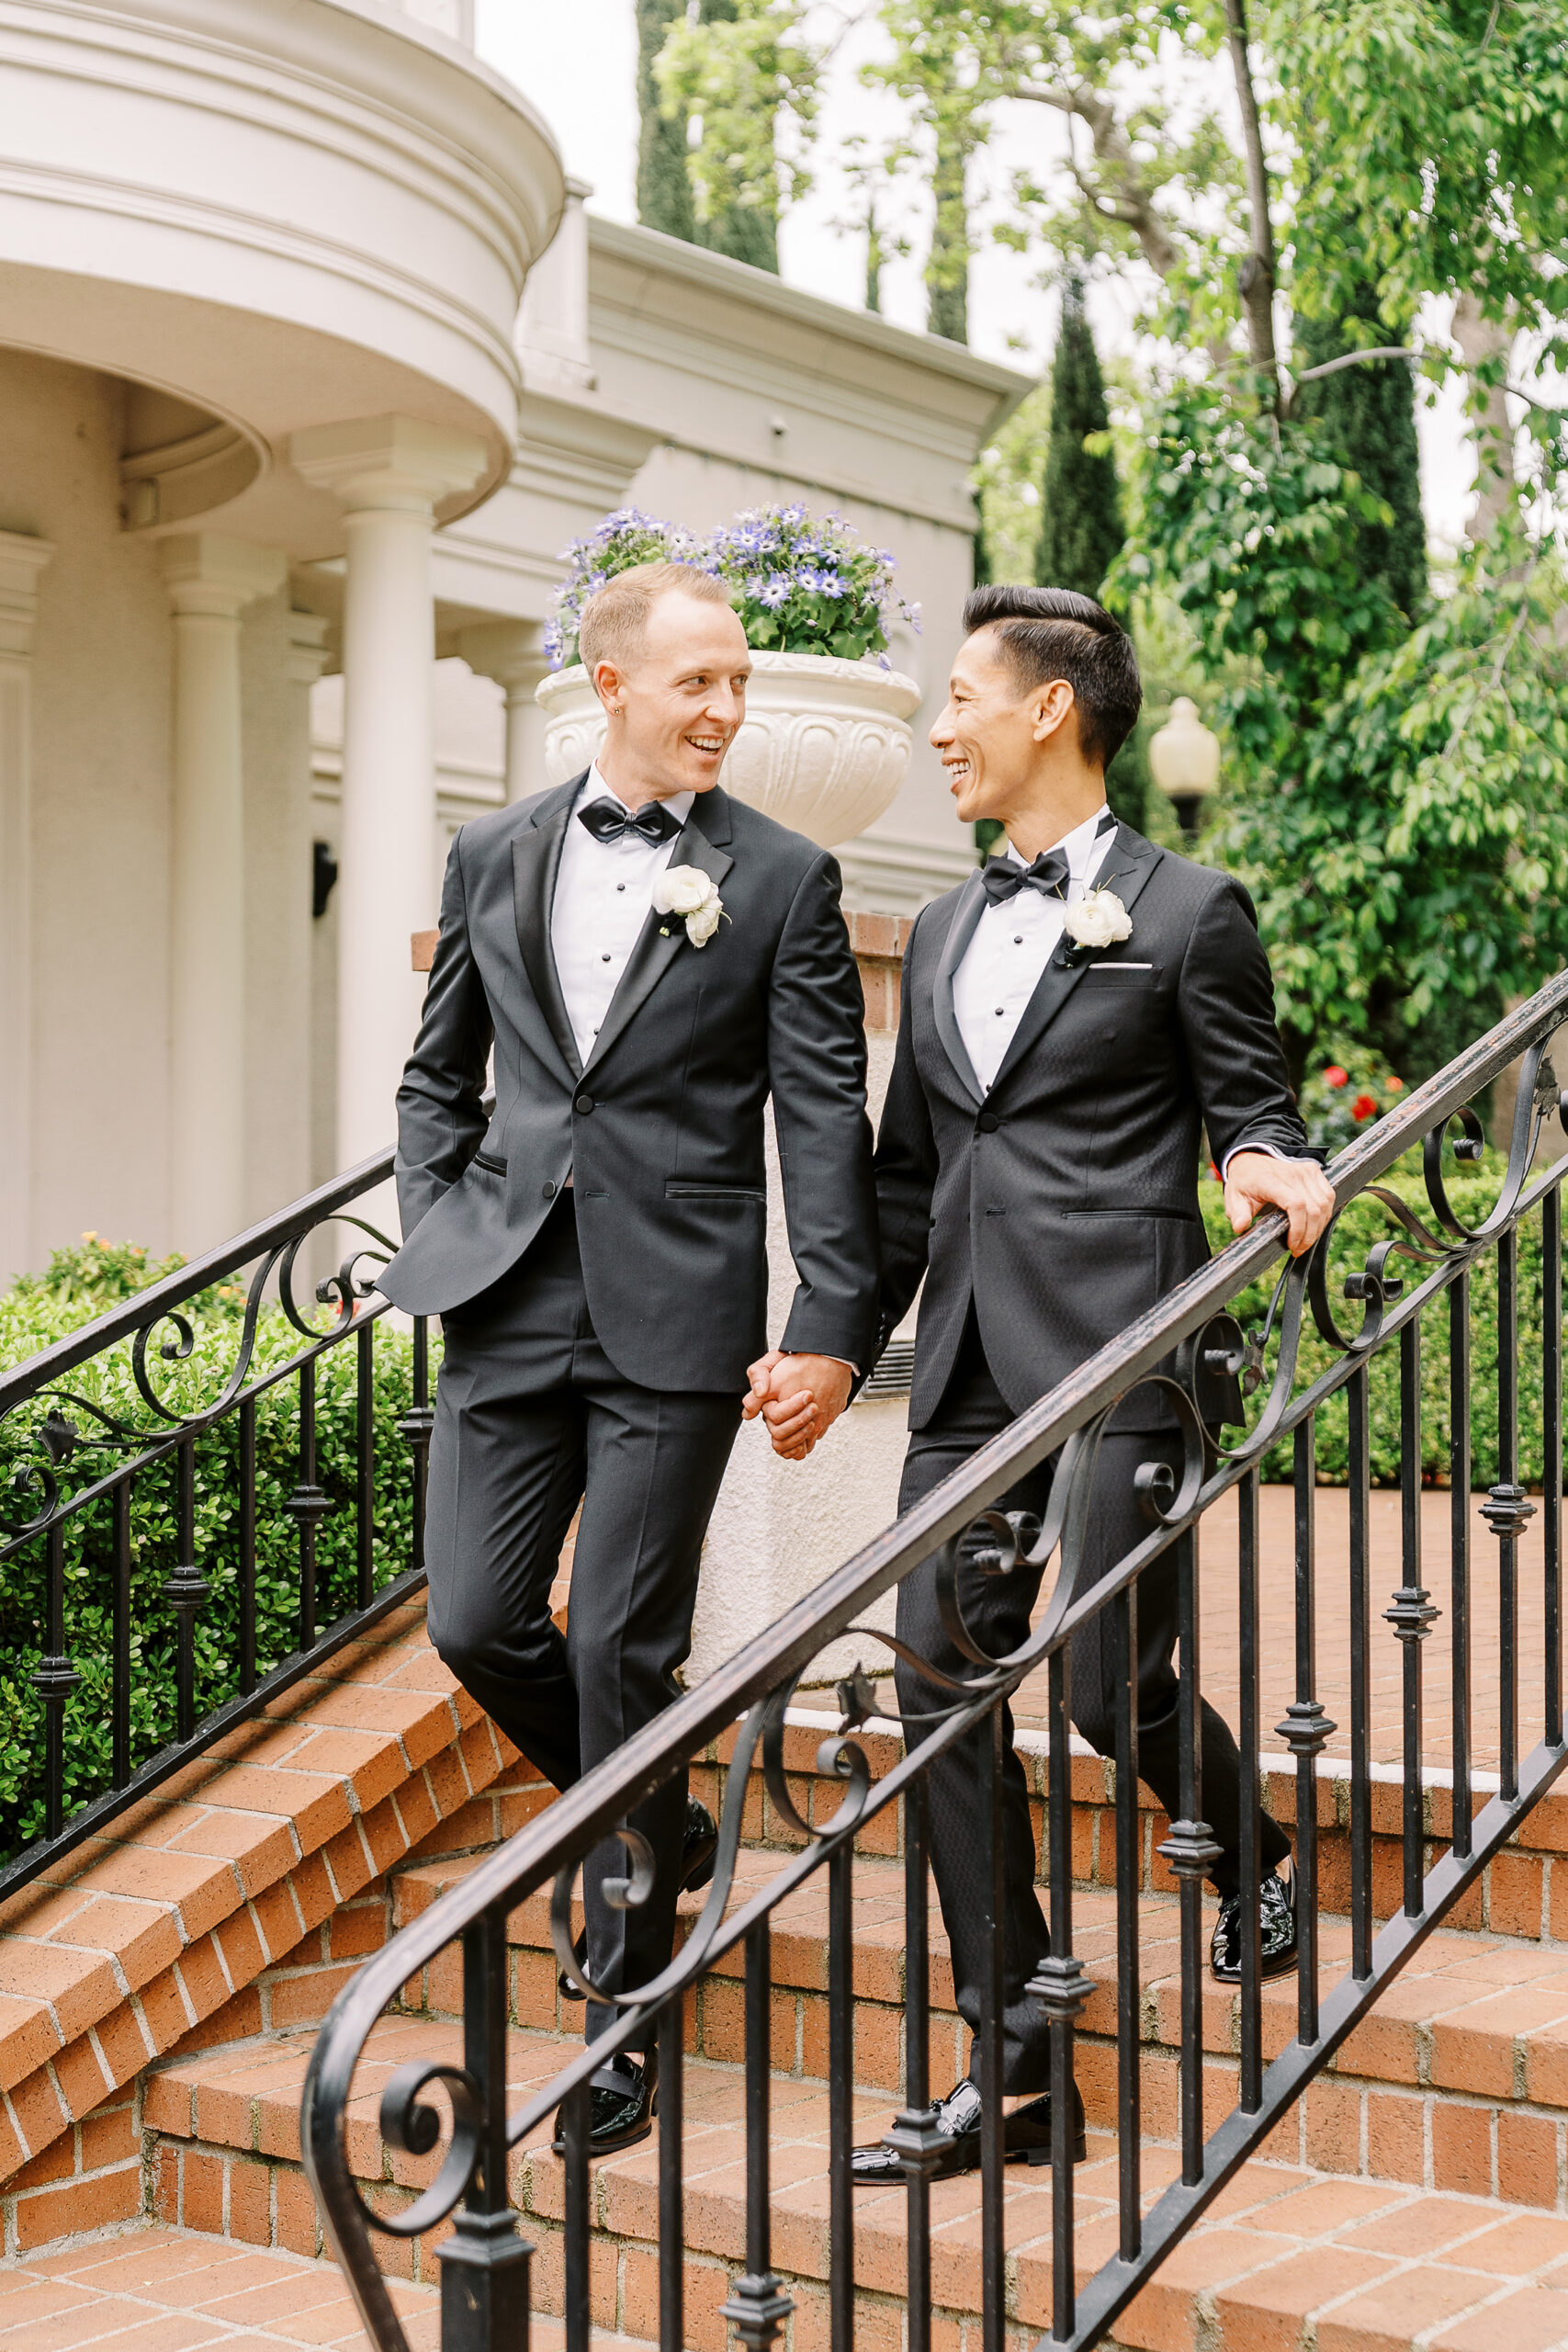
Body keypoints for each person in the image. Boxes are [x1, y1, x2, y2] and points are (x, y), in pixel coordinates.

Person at [750, 583, 1335, 2185]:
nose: (939, 727)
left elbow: (1251, 1104)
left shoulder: (1190, 910)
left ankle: (1253, 1846)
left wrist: (1273, 1165)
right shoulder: (940, 927)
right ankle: (1015, 2079)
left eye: (960, 698)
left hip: (1126, 1352)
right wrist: (825, 1338)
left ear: (1049, 712)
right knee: (941, 1690)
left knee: (1097, 1689)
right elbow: (898, 1178)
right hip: (961, 1371)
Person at [381, 561, 879, 2155]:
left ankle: (622, 2006)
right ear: (613, 684)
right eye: (699, 684)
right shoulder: (493, 851)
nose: (727, 708)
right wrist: (444, 1213)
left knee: (616, 1645)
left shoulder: (784, 880)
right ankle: (650, 1821)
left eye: (736, 681)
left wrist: (826, 1330)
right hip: (509, 1298)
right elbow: (433, 1078)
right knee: (473, 1619)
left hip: (675, 1321)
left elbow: (821, 1118)